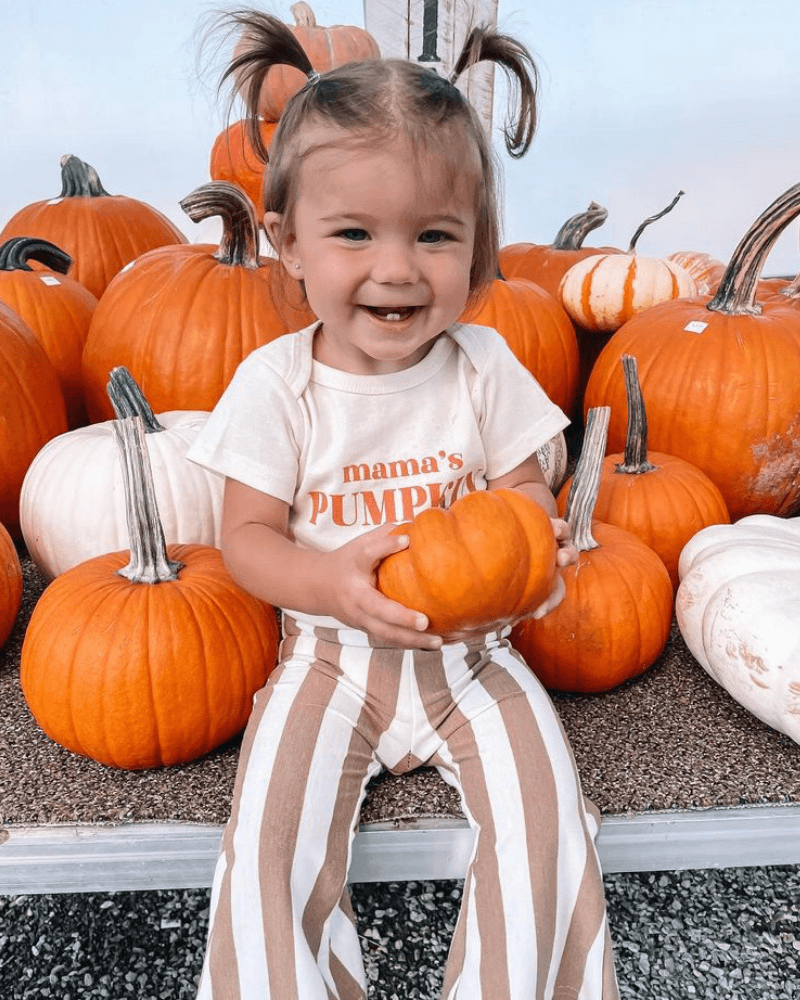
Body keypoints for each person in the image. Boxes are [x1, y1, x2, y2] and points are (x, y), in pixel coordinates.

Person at [188, 9, 620, 999]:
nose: (394, 267)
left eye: (433, 235)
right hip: (329, 656)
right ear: (287, 245)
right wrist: (327, 580)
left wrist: (530, 551)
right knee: (266, 839)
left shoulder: (483, 366)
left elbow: (521, 489)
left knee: (547, 819)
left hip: (474, 651)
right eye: (353, 234)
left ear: (475, 251)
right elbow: (246, 539)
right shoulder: (275, 384)